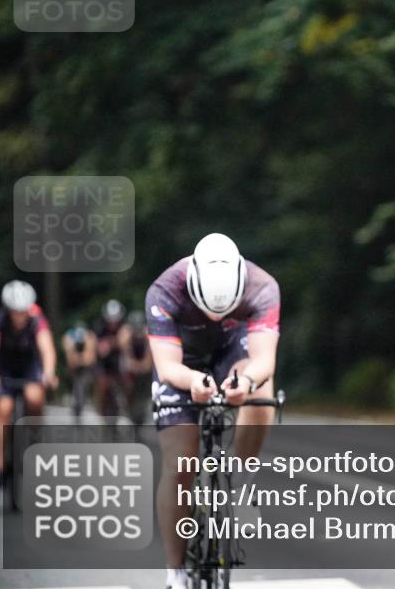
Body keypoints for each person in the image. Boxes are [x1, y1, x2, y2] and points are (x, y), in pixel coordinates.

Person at [146, 233, 280, 589]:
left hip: (233, 351)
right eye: (207, 309)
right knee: (180, 463)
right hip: (182, 358)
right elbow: (167, 367)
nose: (214, 315)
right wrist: (192, 381)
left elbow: (263, 360)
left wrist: (247, 382)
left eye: (223, 310)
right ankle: (176, 570)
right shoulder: (165, 290)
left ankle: (242, 483)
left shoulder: (263, 286)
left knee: (261, 391)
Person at [0, 280, 58, 488]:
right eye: (15, 311)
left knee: (34, 398)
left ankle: (35, 445)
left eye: (22, 311)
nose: (19, 316)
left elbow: (47, 348)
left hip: (29, 367)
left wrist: (49, 372)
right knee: (3, 408)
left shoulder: (37, 319)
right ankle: (0, 465)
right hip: (4, 368)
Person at [94, 299, 128, 419]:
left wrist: (112, 344)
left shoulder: (125, 327)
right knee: (103, 383)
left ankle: (127, 405)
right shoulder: (99, 328)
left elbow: (124, 342)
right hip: (104, 364)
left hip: (120, 361)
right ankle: (102, 410)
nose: (113, 324)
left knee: (128, 378)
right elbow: (99, 349)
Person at [119, 310, 153, 428]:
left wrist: (144, 365)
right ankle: (126, 398)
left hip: (143, 362)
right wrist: (133, 365)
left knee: (148, 381)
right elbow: (126, 353)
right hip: (130, 362)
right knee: (126, 378)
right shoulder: (125, 333)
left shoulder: (147, 332)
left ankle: (144, 400)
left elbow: (149, 355)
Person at [61, 320, 97, 421]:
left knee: (83, 383)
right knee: (77, 384)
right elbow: (70, 360)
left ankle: (81, 401)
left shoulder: (90, 337)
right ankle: (77, 403)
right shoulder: (69, 338)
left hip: (86, 367)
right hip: (74, 367)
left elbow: (90, 359)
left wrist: (82, 359)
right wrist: (76, 359)